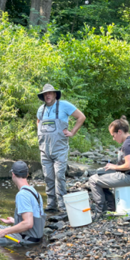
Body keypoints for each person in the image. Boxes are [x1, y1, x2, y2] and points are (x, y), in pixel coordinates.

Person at [37, 84, 86, 212]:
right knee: (48, 177)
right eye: (45, 94)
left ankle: (63, 205)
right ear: (43, 96)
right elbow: (38, 124)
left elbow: (81, 117)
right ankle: (51, 205)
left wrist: (73, 132)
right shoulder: (40, 110)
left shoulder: (64, 105)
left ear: (55, 94)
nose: (47, 95)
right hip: (44, 150)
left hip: (60, 150)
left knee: (59, 176)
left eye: (50, 93)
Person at [0, 161, 46, 245]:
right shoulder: (34, 192)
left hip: (28, 239)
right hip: (36, 235)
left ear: (13, 174)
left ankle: (10, 252)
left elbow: (28, 224)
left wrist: (4, 232)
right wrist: (15, 221)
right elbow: (34, 217)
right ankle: (6, 251)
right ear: (27, 174)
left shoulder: (22, 195)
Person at [89, 116, 130, 214]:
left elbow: (128, 166)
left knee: (93, 180)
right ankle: (111, 207)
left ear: (119, 132)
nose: (113, 138)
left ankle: (100, 211)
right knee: (101, 173)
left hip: (129, 177)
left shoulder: (127, 144)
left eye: (113, 135)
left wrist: (113, 167)